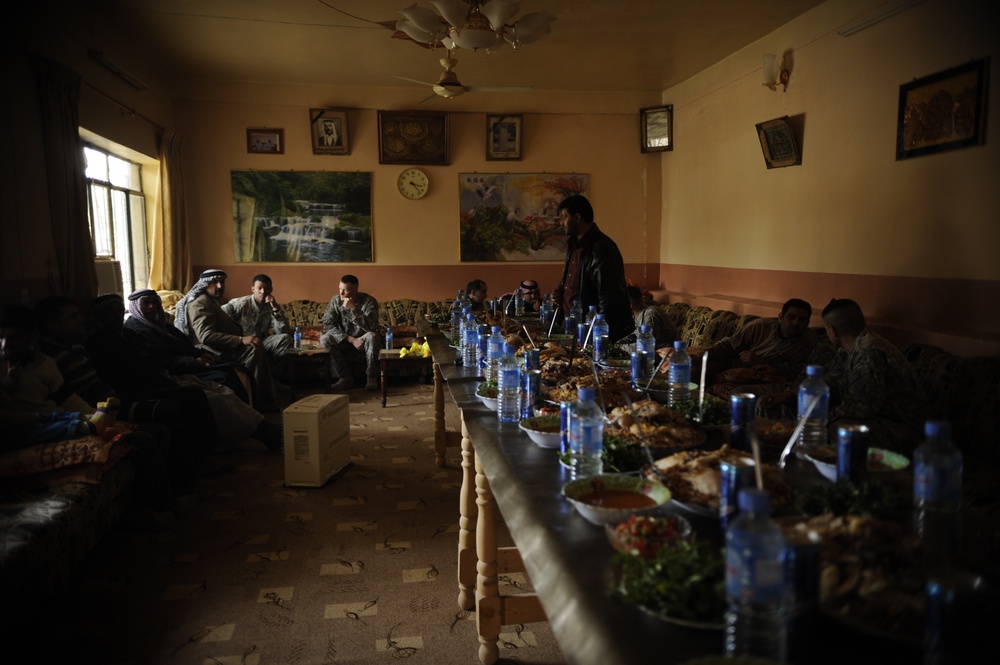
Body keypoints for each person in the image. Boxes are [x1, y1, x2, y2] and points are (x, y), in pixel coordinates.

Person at [1, 302, 176, 525]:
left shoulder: (45, 364)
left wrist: (96, 418)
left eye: (15, 337)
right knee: (144, 439)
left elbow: (69, 399)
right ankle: (145, 511)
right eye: (1, 337)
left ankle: (165, 503)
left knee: (158, 431)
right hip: (38, 428)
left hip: (64, 418)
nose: (5, 345)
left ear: (32, 336)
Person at [819, 298, 928, 453]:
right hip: (877, 419)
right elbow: (829, 382)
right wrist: (792, 394)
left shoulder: (870, 351)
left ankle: (849, 475)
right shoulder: (847, 350)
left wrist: (821, 418)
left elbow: (862, 406)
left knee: (841, 430)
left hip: (902, 428)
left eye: (825, 329)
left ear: (833, 330)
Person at [174, 269, 279, 410]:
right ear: (204, 284)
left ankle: (264, 397)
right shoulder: (200, 303)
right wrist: (240, 340)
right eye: (214, 282)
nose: (220, 286)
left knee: (257, 346)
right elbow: (206, 336)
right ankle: (255, 401)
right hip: (210, 351)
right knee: (254, 351)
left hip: (222, 346)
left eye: (222, 282)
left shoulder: (211, 301)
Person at [124, 289, 250, 402]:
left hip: (187, 362)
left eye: (154, 303)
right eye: (146, 303)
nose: (151, 307)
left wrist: (201, 354)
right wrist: (192, 361)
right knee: (224, 377)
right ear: (136, 307)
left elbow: (184, 344)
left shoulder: (161, 324)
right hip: (175, 371)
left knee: (232, 366)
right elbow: (161, 359)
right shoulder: (137, 330)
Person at [552, 195, 632, 342]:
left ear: (577, 217)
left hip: (591, 334)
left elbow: (609, 299)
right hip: (573, 329)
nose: (561, 222)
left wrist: (597, 338)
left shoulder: (602, 248)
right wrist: (561, 293)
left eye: (564, 217)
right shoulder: (574, 246)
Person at [691, 298, 818, 389]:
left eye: (802, 319)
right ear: (780, 317)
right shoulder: (761, 326)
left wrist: (762, 361)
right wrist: (702, 356)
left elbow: (803, 370)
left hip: (764, 376)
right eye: (791, 317)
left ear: (807, 323)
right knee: (694, 372)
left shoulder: (809, 342)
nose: (796, 323)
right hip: (733, 361)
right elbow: (729, 346)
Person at [321, 274, 382, 391]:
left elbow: (373, 328)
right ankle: (345, 378)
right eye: (340, 288)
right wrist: (351, 339)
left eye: (345, 290)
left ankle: (371, 377)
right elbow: (328, 325)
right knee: (325, 339)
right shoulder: (335, 301)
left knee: (372, 336)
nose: (341, 293)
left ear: (355, 290)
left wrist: (354, 309)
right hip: (344, 339)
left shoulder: (369, 302)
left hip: (363, 340)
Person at [221, 273, 292, 369]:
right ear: (253, 289)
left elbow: (282, 331)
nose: (263, 292)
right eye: (259, 288)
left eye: (266, 288)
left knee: (285, 338)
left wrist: (275, 309)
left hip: (260, 341)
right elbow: (220, 317)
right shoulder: (240, 304)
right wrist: (237, 338)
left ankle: (274, 376)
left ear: (271, 290)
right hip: (242, 343)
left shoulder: (271, 306)